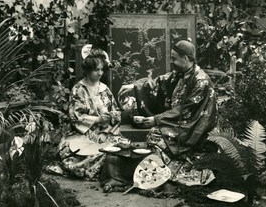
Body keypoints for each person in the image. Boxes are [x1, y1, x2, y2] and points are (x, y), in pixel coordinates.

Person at [100, 40, 218, 190]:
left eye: (174, 58)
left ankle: (157, 175)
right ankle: (144, 174)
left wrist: (155, 120)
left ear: (186, 58)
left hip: (193, 127)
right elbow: (159, 83)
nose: (171, 61)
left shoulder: (201, 81)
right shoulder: (179, 74)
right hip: (177, 121)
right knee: (154, 136)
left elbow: (186, 110)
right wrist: (134, 87)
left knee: (158, 138)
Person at [58, 45, 123, 179]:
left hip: (107, 131)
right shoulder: (78, 90)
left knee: (118, 148)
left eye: (101, 70)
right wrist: (98, 120)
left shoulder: (105, 89)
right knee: (80, 152)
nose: (100, 73)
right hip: (83, 132)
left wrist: (105, 131)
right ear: (87, 71)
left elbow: (115, 113)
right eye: (95, 70)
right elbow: (76, 116)